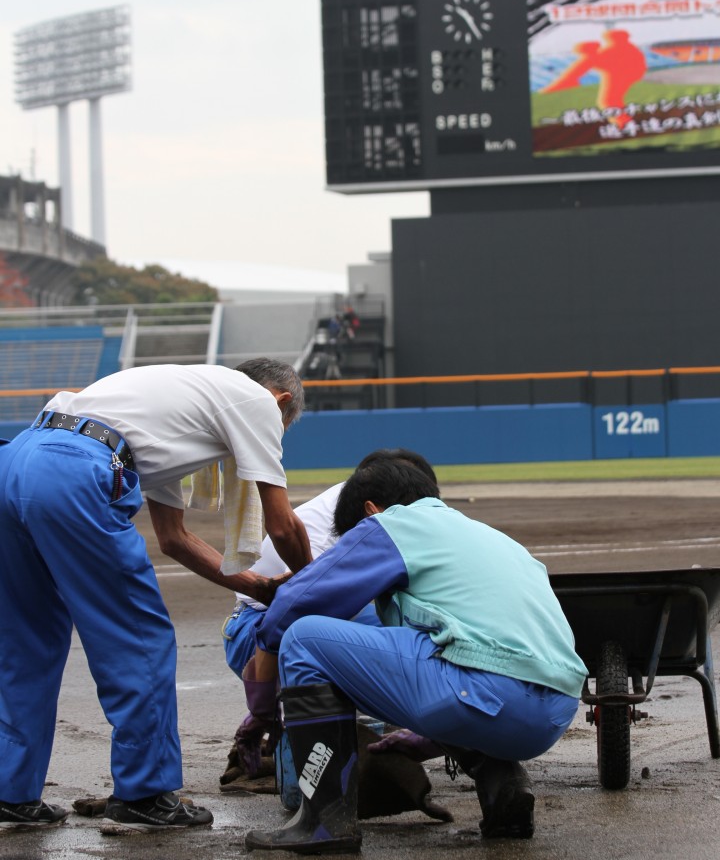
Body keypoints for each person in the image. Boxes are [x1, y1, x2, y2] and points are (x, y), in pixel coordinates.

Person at [0, 357, 312, 833]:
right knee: (138, 638)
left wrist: (260, 587)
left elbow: (174, 538)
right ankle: (145, 792)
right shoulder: (256, 401)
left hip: (18, 459)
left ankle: (10, 791)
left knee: (27, 643)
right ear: (281, 401)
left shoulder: (173, 409)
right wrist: (316, 581)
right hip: (75, 470)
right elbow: (283, 524)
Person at [243, 457, 588, 853]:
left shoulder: (393, 523)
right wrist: (429, 739)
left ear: (371, 510)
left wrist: (261, 703)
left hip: (485, 693)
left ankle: (324, 823)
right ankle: (500, 786)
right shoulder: (489, 537)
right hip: (551, 714)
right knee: (428, 651)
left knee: (304, 638)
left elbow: (290, 608)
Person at [221, 449, 438, 782]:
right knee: (393, 638)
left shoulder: (364, 505)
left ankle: (317, 741)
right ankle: (307, 765)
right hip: (256, 633)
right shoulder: (349, 526)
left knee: (403, 628)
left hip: (275, 629)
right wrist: (260, 711)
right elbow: (288, 617)